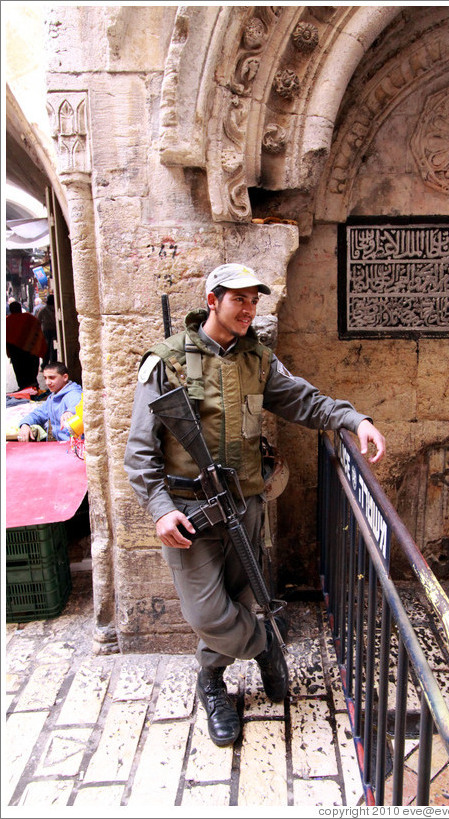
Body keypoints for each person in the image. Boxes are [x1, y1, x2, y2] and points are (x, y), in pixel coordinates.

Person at [124, 263, 386, 747]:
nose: (248, 309)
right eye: (238, 299)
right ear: (212, 301)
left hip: (244, 508)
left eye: (253, 300)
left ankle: (212, 685)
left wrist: (354, 419)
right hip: (189, 515)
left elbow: (305, 402)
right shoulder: (167, 362)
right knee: (206, 612)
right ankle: (267, 646)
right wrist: (161, 509)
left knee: (240, 599)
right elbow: (139, 452)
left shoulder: (258, 360)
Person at [17, 362, 82, 442]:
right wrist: (25, 424)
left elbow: (77, 405)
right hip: (61, 444)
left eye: (52, 378)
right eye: (45, 378)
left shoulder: (73, 393)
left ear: (65, 377)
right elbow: (38, 414)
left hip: (75, 446)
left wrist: (69, 412)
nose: (47, 382)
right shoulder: (52, 397)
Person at [6, 300, 47, 390]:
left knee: (19, 370)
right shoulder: (29, 318)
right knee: (31, 369)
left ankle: (23, 388)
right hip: (30, 350)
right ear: (20, 309)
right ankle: (34, 386)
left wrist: (9, 352)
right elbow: (38, 331)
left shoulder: (7, 321)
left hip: (15, 352)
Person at [37, 294, 58, 369]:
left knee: (46, 348)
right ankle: (53, 363)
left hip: (46, 331)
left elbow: (38, 320)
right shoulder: (57, 308)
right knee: (55, 348)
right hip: (56, 330)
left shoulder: (43, 310)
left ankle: (45, 364)